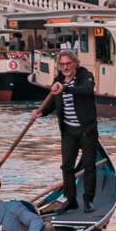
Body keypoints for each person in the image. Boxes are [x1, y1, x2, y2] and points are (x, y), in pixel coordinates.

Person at [40, 49, 98, 214]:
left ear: (75, 64)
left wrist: (65, 88)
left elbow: (87, 91)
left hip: (87, 130)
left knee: (88, 165)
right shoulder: (57, 80)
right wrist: (41, 112)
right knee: (66, 166)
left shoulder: (85, 76)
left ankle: (88, 200)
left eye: (68, 63)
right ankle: (71, 200)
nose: (65, 67)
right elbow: (52, 103)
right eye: (62, 64)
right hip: (68, 131)